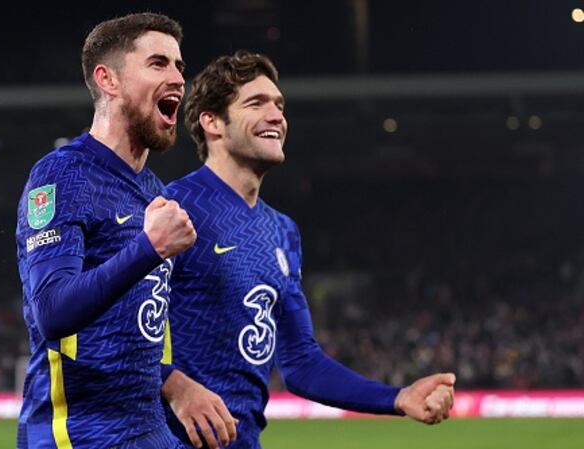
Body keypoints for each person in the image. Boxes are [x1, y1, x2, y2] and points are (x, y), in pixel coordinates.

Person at [160, 51, 456, 449]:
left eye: (279, 105)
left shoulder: (282, 232)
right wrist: (174, 385)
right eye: (256, 103)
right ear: (211, 122)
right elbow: (98, 334)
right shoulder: (173, 209)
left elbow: (300, 363)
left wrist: (397, 398)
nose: (276, 116)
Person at [15, 13, 198, 449]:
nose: (177, 79)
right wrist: (149, 248)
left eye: (179, 66)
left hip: (148, 430)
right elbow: (53, 313)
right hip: (79, 436)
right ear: (108, 80)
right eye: (158, 64)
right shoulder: (62, 175)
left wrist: (178, 384)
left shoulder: (153, 191)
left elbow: (142, 327)